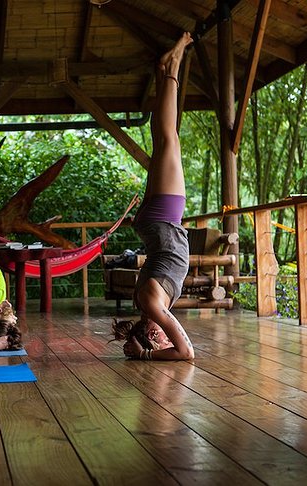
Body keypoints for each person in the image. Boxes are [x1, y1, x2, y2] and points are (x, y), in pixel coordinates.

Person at [112, 33, 195, 361]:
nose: (166, 337)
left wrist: (146, 356)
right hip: (157, 225)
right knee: (164, 141)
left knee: (168, 139)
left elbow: (186, 353)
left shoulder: (151, 307)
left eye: (158, 339)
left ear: (150, 332)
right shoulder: (145, 306)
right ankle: (165, 72)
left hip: (164, 220)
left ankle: (171, 67)